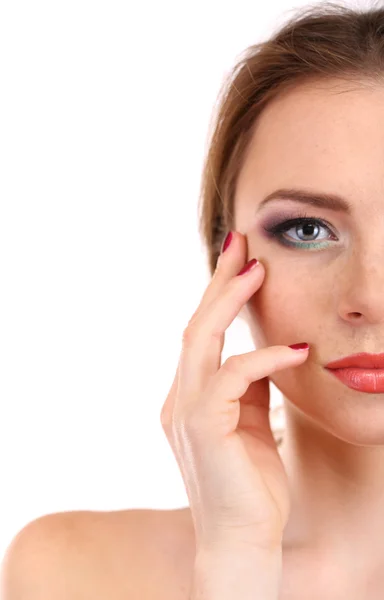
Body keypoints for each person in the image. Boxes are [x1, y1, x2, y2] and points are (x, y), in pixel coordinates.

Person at [4, 1, 384, 598]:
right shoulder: (72, 573)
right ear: (225, 260)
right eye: (307, 230)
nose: (371, 297)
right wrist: (237, 560)